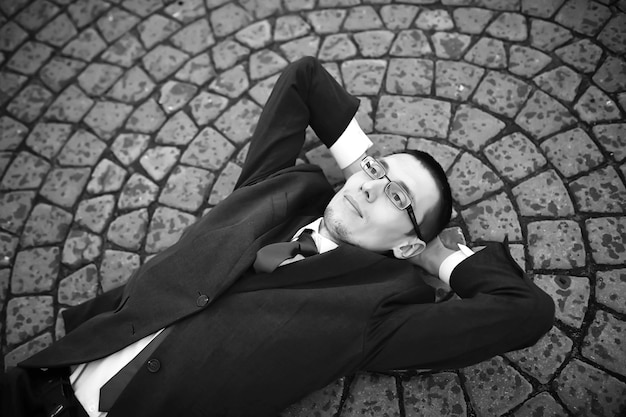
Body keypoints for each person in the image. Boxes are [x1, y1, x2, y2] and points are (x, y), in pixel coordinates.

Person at [2, 57, 555, 417]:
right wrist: (364, 168)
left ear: (406, 245)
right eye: (379, 172)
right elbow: (304, 78)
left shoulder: (377, 311)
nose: (371, 188)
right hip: (40, 381)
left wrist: (444, 261)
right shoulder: (280, 185)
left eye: (399, 198)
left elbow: (524, 313)